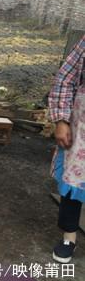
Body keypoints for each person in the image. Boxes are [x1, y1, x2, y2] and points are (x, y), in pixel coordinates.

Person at [49, 34, 85, 263]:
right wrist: (62, 120)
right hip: (82, 127)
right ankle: (69, 237)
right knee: (74, 181)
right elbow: (65, 78)